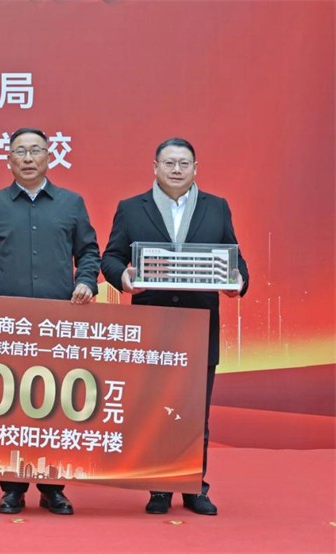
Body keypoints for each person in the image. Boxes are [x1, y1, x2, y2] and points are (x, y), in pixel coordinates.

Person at [100, 137, 249, 516]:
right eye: (169, 163)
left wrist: (238, 281)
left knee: (196, 412)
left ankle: (194, 486)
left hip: (200, 324)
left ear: (195, 168)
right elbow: (111, 257)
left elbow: (235, 259)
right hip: (154, 323)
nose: (177, 169)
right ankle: (159, 488)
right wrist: (124, 278)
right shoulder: (131, 208)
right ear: (155, 167)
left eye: (184, 163)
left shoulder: (217, 207)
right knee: (156, 409)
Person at [0, 127, 101, 515]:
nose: (28, 158)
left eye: (35, 150)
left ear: (49, 157)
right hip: (11, 325)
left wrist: (87, 281)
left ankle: (53, 487)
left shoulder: (71, 203)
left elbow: (89, 252)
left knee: (57, 404)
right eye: (20, 151)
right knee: (12, 404)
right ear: (9, 159)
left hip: (60, 322)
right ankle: (13, 488)